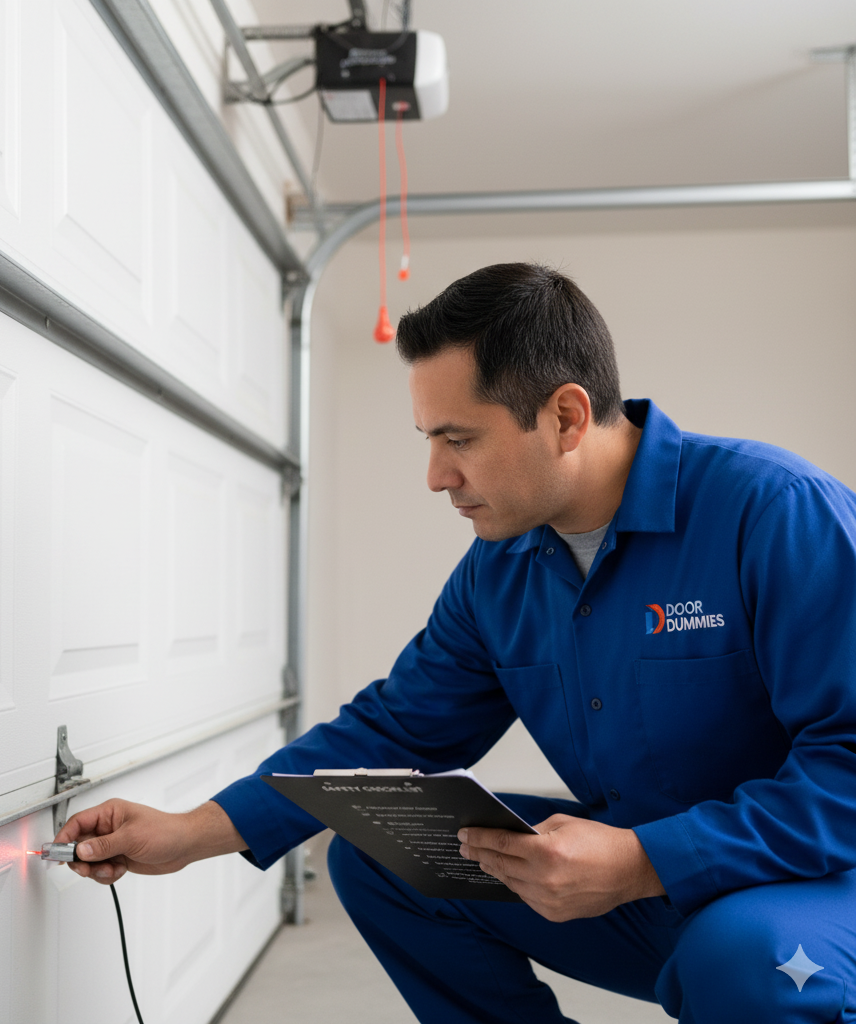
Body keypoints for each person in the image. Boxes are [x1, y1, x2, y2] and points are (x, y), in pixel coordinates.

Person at [56, 263, 856, 1024]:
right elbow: (393, 732)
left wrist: (646, 859)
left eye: (460, 439)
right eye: (427, 439)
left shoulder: (777, 513)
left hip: (815, 888)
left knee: (744, 958)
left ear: (566, 417)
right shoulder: (499, 570)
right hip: (649, 889)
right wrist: (192, 831)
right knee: (381, 854)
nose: (436, 475)